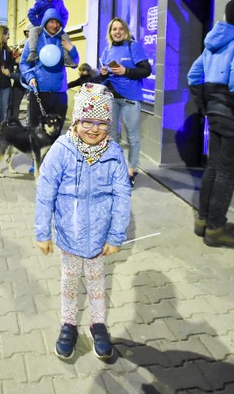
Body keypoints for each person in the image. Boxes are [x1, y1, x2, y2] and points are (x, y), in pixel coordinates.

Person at [35, 83, 131, 360]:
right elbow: (45, 192)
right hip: (69, 235)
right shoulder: (61, 150)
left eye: (101, 123)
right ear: (76, 122)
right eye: (87, 121)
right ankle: (68, 324)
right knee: (69, 282)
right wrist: (43, 232)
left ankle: (98, 324)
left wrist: (115, 236)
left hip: (99, 238)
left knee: (98, 282)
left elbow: (122, 195)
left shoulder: (114, 154)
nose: (93, 128)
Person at [187, 0, 234, 248]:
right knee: (227, 174)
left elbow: (193, 75)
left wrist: (206, 107)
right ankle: (216, 230)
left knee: (214, 169)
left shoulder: (213, 44)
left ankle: (204, 221)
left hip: (216, 116)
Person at [99, 18, 152, 186]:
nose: (117, 32)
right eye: (114, 29)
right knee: (112, 136)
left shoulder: (133, 46)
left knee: (132, 137)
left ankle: (131, 170)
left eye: (120, 28)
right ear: (110, 32)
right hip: (112, 97)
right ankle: (116, 169)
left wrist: (126, 70)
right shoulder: (107, 50)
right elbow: (104, 76)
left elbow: (146, 70)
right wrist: (103, 73)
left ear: (125, 31)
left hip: (130, 98)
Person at [20, 7, 79, 129]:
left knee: (56, 130)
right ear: (45, 22)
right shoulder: (34, 40)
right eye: (51, 22)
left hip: (59, 92)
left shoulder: (64, 39)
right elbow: (24, 63)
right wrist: (30, 77)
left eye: (57, 22)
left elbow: (75, 63)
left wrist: (71, 49)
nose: (55, 25)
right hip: (39, 91)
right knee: (36, 130)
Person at [26, 0, 76, 68]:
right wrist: (38, 24)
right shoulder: (40, 2)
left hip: (55, 29)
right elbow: (31, 13)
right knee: (33, 31)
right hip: (42, 27)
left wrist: (61, 25)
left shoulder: (59, 2)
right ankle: (33, 52)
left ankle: (67, 58)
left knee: (64, 37)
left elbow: (65, 13)